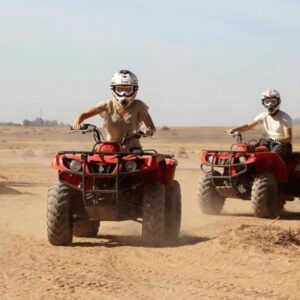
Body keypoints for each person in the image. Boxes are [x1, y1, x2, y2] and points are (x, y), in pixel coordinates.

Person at [72, 69, 156, 150]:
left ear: (134, 89)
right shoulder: (107, 105)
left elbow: (151, 127)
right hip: (110, 147)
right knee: (94, 158)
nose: (124, 93)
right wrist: (76, 123)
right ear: (113, 89)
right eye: (120, 89)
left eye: (128, 89)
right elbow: (84, 114)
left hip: (132, 148)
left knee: (140, 162)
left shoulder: (139, 105)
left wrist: (148, 131)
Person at [226, 89, 293, 160]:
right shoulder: (264, 115)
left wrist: (277, 139)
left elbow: (288, 138)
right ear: (263, 102)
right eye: (267, 102)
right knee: (248, 150)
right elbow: (248, 126)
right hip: (268, 143)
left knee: (271, 156)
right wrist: (234, 129)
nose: (270, 104)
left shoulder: (285, 118)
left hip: (282, 145)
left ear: (278, 102)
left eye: (273, 101)